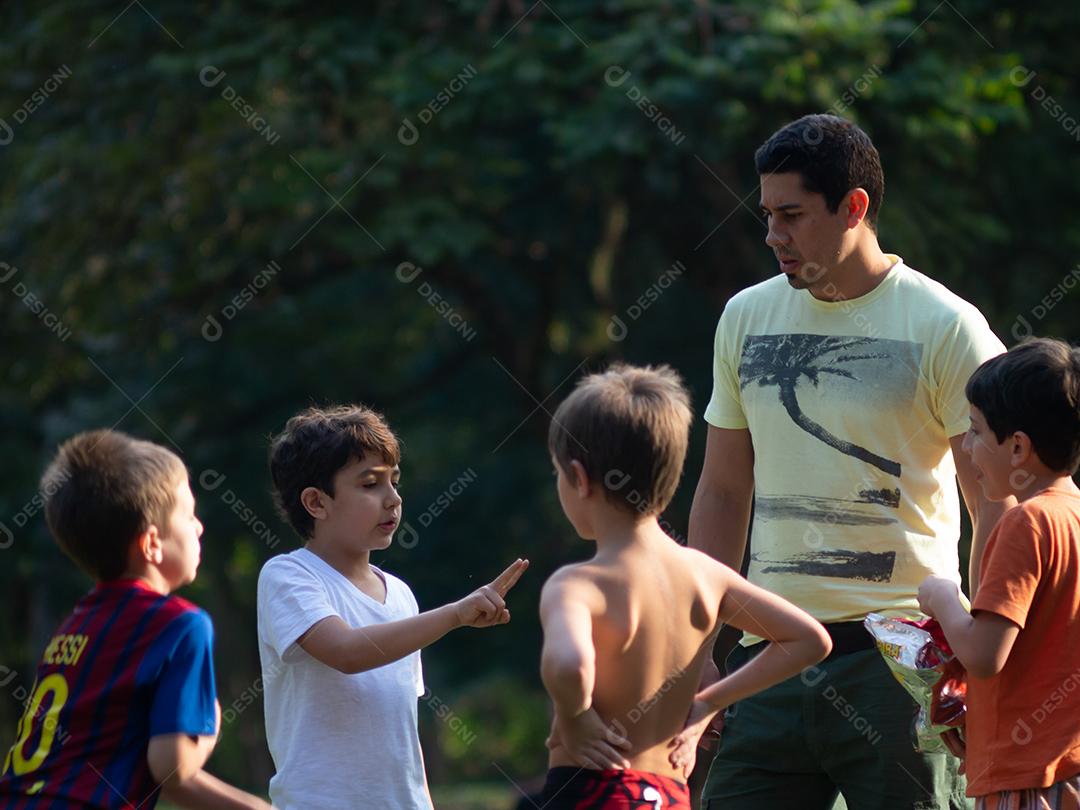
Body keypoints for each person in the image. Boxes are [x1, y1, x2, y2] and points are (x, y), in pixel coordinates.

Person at [689, 113, 1011, 809]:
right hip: (765, 658)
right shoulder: (744, 317)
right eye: (767, 215)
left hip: (901, 665)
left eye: (793, 215)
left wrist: (986, 657)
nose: (774, 235)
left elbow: (996, 504)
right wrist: (698, 651)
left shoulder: (947, 326)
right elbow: (721, 491)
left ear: (854, 207)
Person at [538, 364, 832, 809]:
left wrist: (576, 717)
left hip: (593, 790)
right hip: (668, 793)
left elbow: (568, 666)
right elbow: (810, 639)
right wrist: (709, 703)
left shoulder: (577, 585)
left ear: (578, 478)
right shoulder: (705, 575)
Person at [257, 404, 527, 810]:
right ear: (316, 502)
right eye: (370, 485)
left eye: (394, 482)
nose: (393, 499)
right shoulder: (288, 576)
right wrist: (455, 615)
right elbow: (346, 652)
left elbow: (399, 731)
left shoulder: (400, 594)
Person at [0, 429, 271, 809]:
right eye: (188, 515)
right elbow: (172, 770)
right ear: (151, 544)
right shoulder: (180, 625)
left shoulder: (73, 625)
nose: (199, 527)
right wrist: (208, 729)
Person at [918, 338, 1080, 810]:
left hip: (1026, 777)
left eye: (974, 431)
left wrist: (943, 596)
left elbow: (985, 654)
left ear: (1017, 448)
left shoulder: (1026, 522)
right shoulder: (1072, 516)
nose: (965, 448)